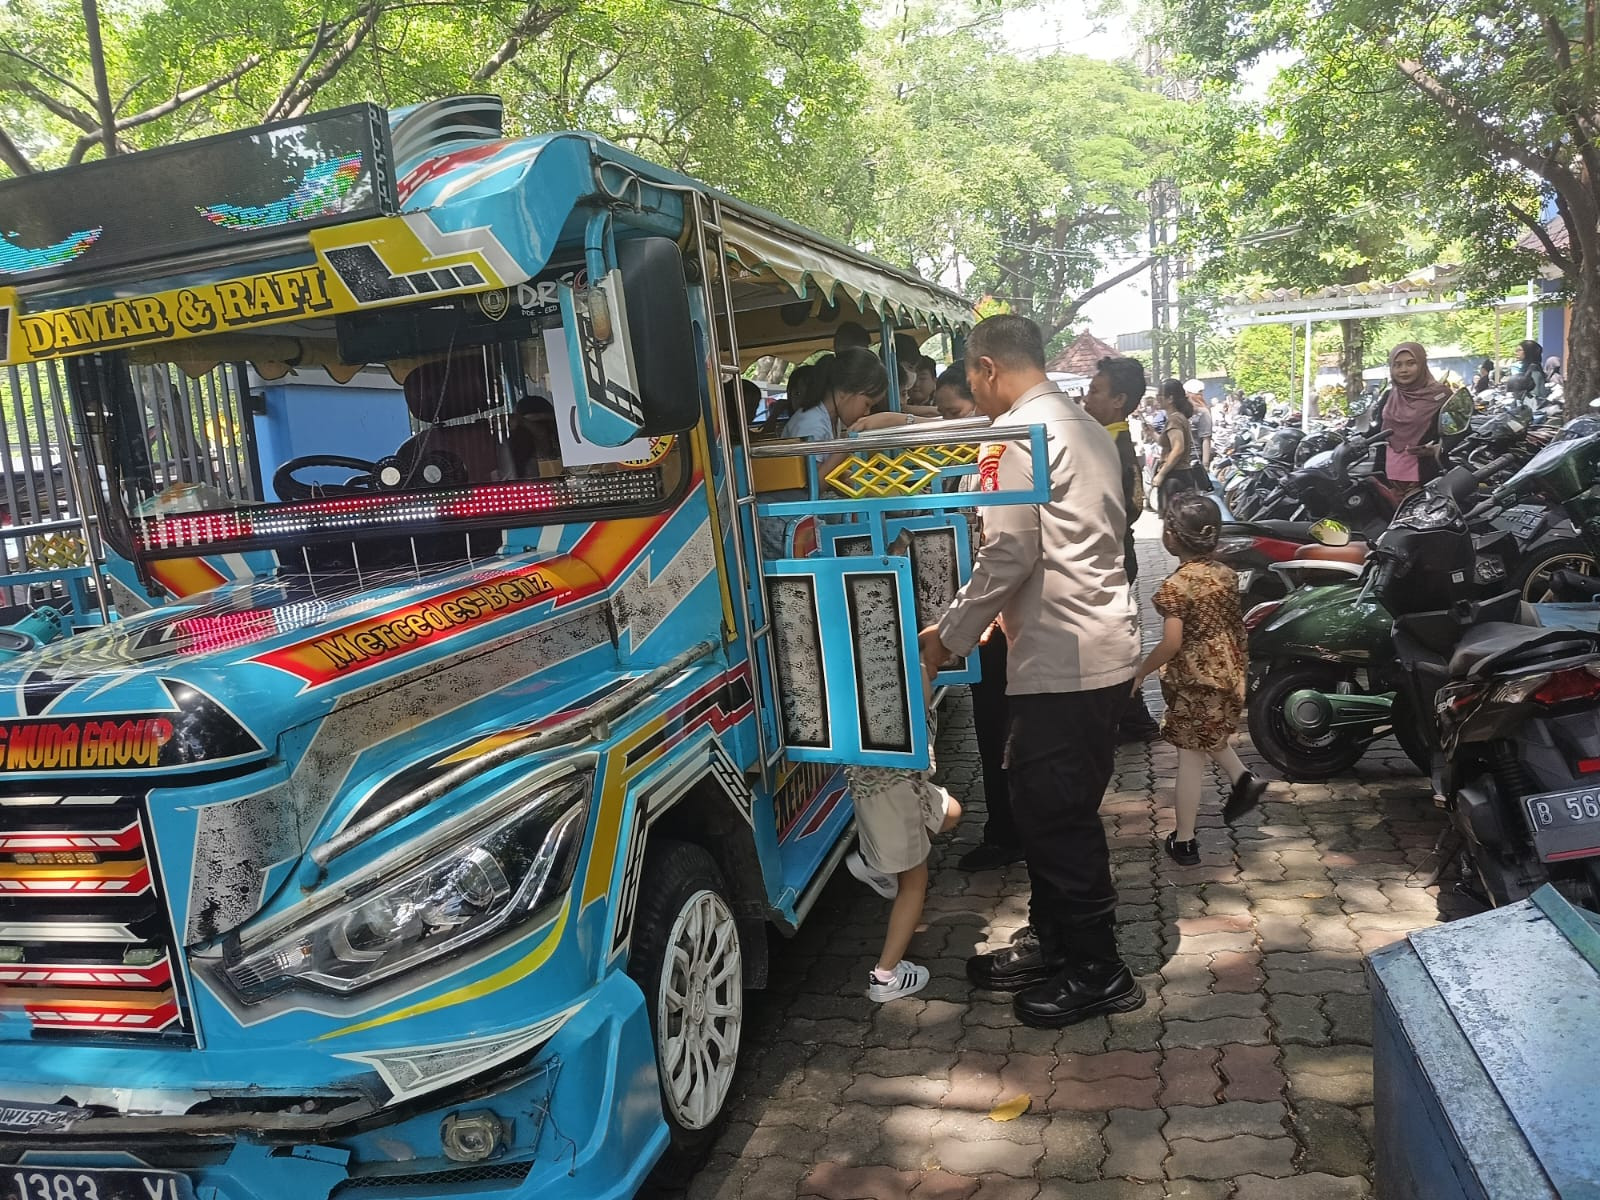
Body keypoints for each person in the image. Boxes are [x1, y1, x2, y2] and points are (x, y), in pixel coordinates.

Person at [918, 314, 1143, 1029]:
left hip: (1062, 655)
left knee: (1056, 816)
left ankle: (1099, 969)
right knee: (1052, 808)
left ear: (985, 368)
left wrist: (949, 635)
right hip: (1098, 645)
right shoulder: (1083, 424)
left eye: (970, 377)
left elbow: (1009, 551)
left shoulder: (1015, 436)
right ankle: (1056, 940)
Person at [1132, 494, 1265, 864]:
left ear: (1171, 536)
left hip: (1194, 682)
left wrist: (1140, 672)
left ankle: (1185, 840)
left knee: (1190, 758)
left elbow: (1171, 643)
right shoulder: (1226, 574)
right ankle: (1243, 779)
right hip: (1228, 674)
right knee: (1208, 733)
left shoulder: (1176, 588)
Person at [844, 680, 964, 1001]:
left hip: (891, 786)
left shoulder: (876, 677)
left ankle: (875, 864)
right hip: (897, 792)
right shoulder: (913, 673)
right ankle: (886, 977)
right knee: (913, 883)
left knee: (950, 812)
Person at [1084, 356, 1162, 743]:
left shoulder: (1108, 445)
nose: (1086, 398)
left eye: (1095, 391)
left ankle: (1131, 718)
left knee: (1108, 646)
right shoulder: (1109, 439)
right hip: (1116, 553)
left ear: (1119, 400)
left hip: (1109, 555)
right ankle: (1132, 718)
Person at [1373, 342, 1451, 491]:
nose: (1403, 370)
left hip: (1427, 476)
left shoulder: (1442, 396)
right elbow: (1377, 431)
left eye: (1411, 363)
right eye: (1397, 365)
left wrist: (1438, 448)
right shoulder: (1389, 395)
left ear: (1422, 364)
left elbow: (1460, 433)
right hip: (1388, 477)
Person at [1152, 379, 1199, 512]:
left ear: (1170, 398)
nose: (1157, 399)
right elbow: (1167, 444)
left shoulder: (1174, 419)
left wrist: (1161, 474)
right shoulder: (1178, 418)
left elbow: (1178, 448)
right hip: (1181, 474)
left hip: (1175, 477)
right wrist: (1152, 433)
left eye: (1160, 395)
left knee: (1174, 517)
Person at [1185, 379, 1214, 471]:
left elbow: (1206, 439)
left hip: (1195, 457)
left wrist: (1205, 465)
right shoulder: (1184, 412)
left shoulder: (1203, 412)